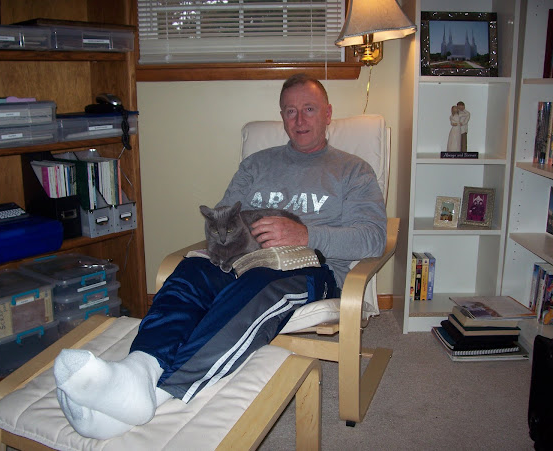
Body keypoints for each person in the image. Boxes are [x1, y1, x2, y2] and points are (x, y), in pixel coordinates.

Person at [53, 73, 387, 440]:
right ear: (281, 117)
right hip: (241, 258)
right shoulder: (257, 164)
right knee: (190, 270)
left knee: (260, 288)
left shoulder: (353, 170)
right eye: (290, 111)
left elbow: (372, 238)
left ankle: (161, 394)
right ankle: (139, 370)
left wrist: (305, 234)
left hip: (308, 268)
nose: (299, 119)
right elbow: (222, 216)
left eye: (309, 109)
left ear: (327, 114)